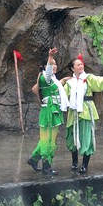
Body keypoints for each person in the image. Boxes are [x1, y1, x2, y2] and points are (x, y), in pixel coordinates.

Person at [61, 55, 103, 174]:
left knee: (86, 137)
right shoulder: (69, 83)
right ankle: (74, 162)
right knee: (72, 136)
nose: (81, 66)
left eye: (81, 64)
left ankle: (84, 165)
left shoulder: (88, 78)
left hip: (86, 109)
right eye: (78, 65)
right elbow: (62, 94)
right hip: (73, 112)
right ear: (72, 68)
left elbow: (99, 81)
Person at [27, 47, 66, 175]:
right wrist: (50, 57)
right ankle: (46, 166)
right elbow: (48, 73)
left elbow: (37, 89)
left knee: (49, 139)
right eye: (51, 64)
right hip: (49, 111)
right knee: (47, 140)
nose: (54, 66)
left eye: (55, 64)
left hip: (54, 110)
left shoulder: (53, 80)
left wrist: (64, 80)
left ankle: (33, 160)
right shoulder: (46, 77)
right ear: (45, 66)